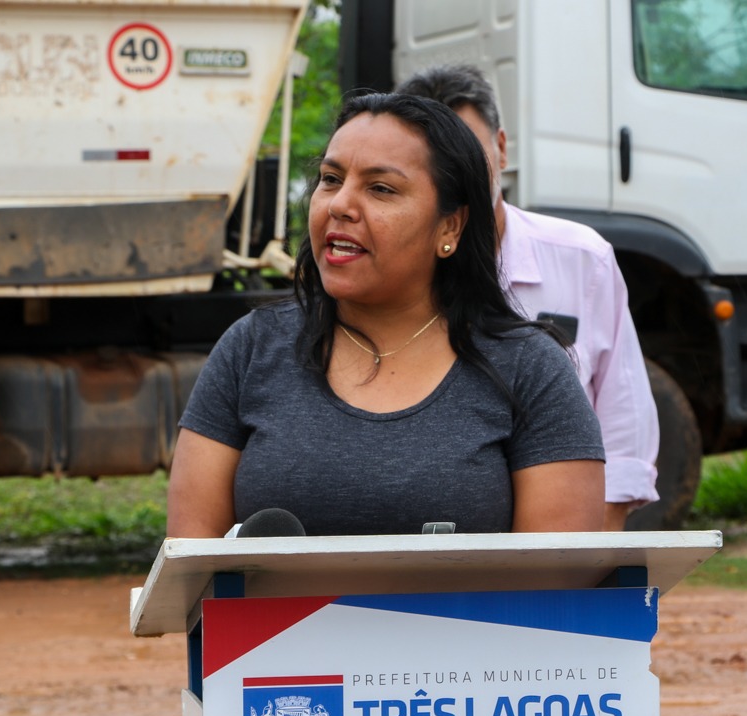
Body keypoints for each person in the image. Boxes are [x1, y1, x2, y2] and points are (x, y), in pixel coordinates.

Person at [166, 93, 605, 538]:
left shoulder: (531, 369)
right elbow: (191, 564)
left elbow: (558, 574)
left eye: (381, 188)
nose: (340, 204)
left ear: (450, 226)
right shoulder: (250, 349)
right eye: (331, 179)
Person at [396, 64, 659, 531]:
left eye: (470, 153)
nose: (457, 176)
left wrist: (581, 559)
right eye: (438, 162)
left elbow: (623, 426)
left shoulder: (583, 260)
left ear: (501, 148)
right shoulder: (391, 277)